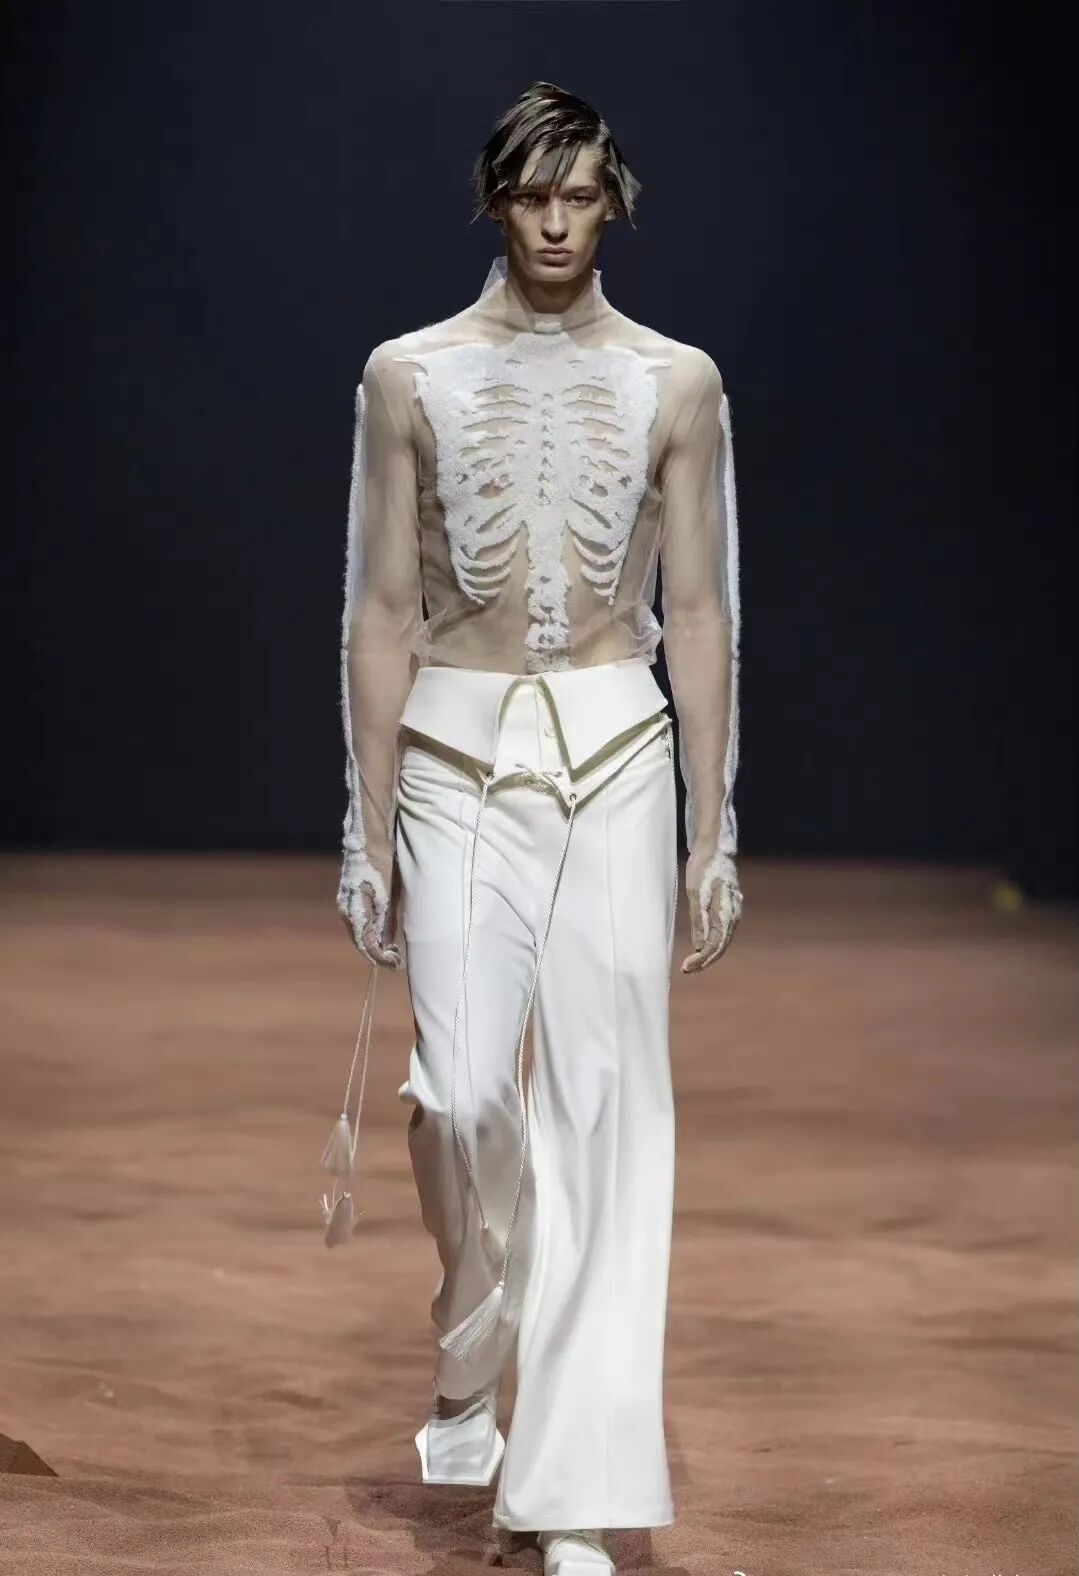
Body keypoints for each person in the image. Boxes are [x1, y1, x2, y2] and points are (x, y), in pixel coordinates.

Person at [332, 80, 742, 1576]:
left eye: (580, 195)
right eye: (531, 195)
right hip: (455, 751)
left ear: (613, 200)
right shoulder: (409, 375)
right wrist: (366, 819)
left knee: (608, 1115)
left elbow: (700, 608)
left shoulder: (678, 383)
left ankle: (571, 1496)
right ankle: (471, 1329)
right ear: (495, 203)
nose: (557, 223)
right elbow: (380, 607)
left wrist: (713, 824)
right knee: (460, 1099)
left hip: (621, 749)